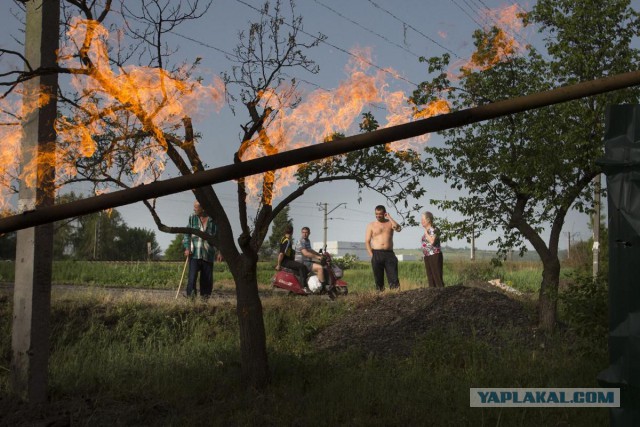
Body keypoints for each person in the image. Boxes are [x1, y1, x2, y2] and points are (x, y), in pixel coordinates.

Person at [183, 201, 218, 298]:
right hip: (194, 253)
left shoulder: (213, 220)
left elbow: (218, 236)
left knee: (207, 279)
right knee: (192, 278)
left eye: (196, 207)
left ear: (203, 208)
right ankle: (191, 299)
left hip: (208, 253)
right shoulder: (192, 217)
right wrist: (187, 247)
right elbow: (187, 233)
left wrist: (220, 252)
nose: (194, 209)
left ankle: (205, 301)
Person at [365, 205, 402, 291]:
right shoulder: (371, 225)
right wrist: (372, 255)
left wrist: (389, 217)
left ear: (384, 213)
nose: (378, 216)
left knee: (394, 278)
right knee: (378, 280)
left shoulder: (390, 223)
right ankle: (380, 297)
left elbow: (398, 229)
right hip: (376, 253)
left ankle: (395, 296)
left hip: (389, 254)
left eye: (380, 214)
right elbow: (367, 241)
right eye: (376, 214)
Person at [276, 224, 310, 293]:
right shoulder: (287, 241)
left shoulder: (283, 238)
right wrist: (278, 265)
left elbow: (288, 251)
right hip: (285, 261)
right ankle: (304, 287)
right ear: (292, 232)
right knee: (302, 267)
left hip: (286, 260)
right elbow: (281, 253)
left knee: (299, 266)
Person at [421, 211, 444, 288]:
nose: (421, 221)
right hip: (427, 256)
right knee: (430, 278)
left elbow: (432, 242)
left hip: (435, 255)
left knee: (437, 277)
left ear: (428, 220)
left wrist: (426, 233)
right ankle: (433, 296)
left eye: (423, 219)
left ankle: (442, 294)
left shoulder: (434, 229)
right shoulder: (427, 231)